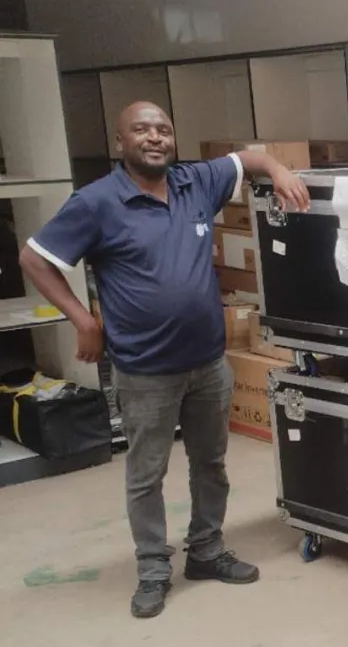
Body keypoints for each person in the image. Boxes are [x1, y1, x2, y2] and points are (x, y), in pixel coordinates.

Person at [19, 101, 311, 619]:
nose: (154, 137)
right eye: (141, 129)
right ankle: (153, 570)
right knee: (146, 475)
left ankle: (207, 551)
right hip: (145, 372)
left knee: (211, 463)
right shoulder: (97, 202)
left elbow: (247, 159)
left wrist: (278, 169)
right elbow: (34, 259)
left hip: (208, 364)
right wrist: (84, 321)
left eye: (163, 129)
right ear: (120, 143)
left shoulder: (195, 182)